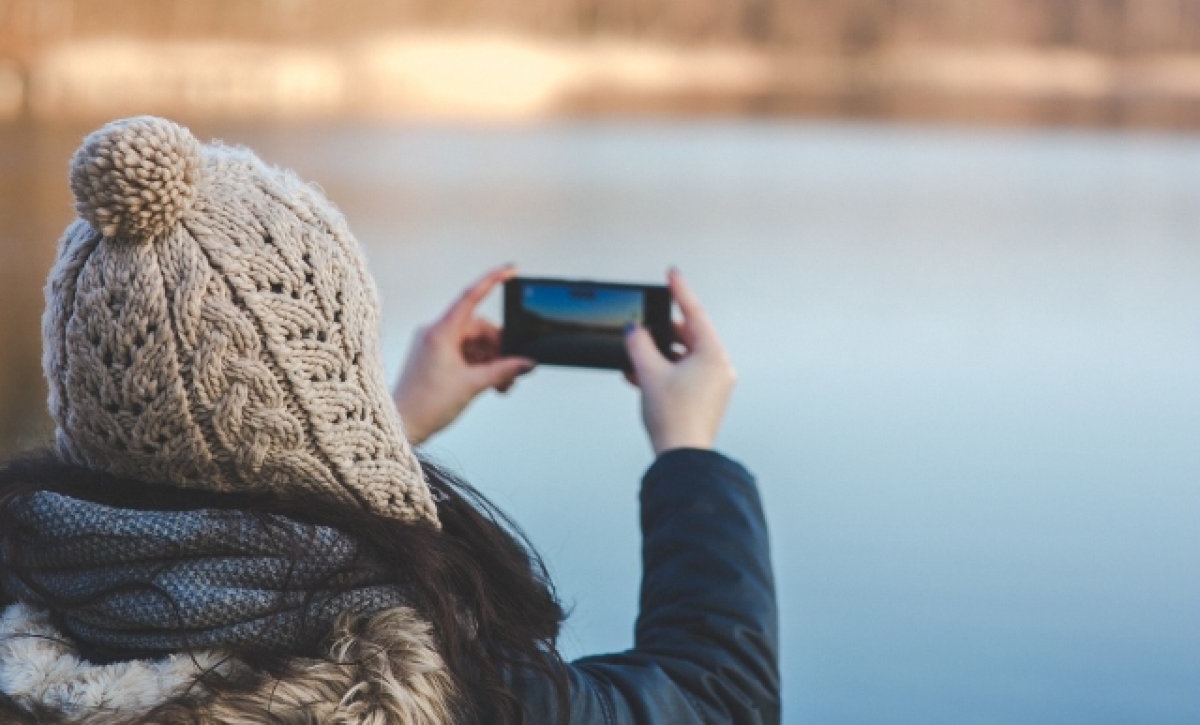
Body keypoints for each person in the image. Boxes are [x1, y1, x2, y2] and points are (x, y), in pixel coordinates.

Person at [0, 116, 779, 724]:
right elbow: (714, 697)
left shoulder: (23, 625)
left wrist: (395, 422)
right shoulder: (445, 691)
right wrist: (689, 451)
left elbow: (209, 516)